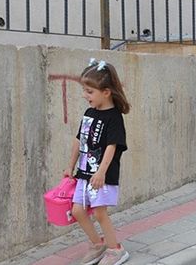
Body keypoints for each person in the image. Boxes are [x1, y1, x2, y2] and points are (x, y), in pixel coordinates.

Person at [63, 59, 131, 265]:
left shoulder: (114, 118)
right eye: (85, 91)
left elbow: (112, 146)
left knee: (100, 212)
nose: (85, 95)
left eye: (89, 92)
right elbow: (79, 139)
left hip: (101, 176)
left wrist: (101, 172)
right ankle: (97, 244)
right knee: (77, 211)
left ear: (106, 92)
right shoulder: (89, 113)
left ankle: (116, 249)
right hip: (84, 173)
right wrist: (70, 165)